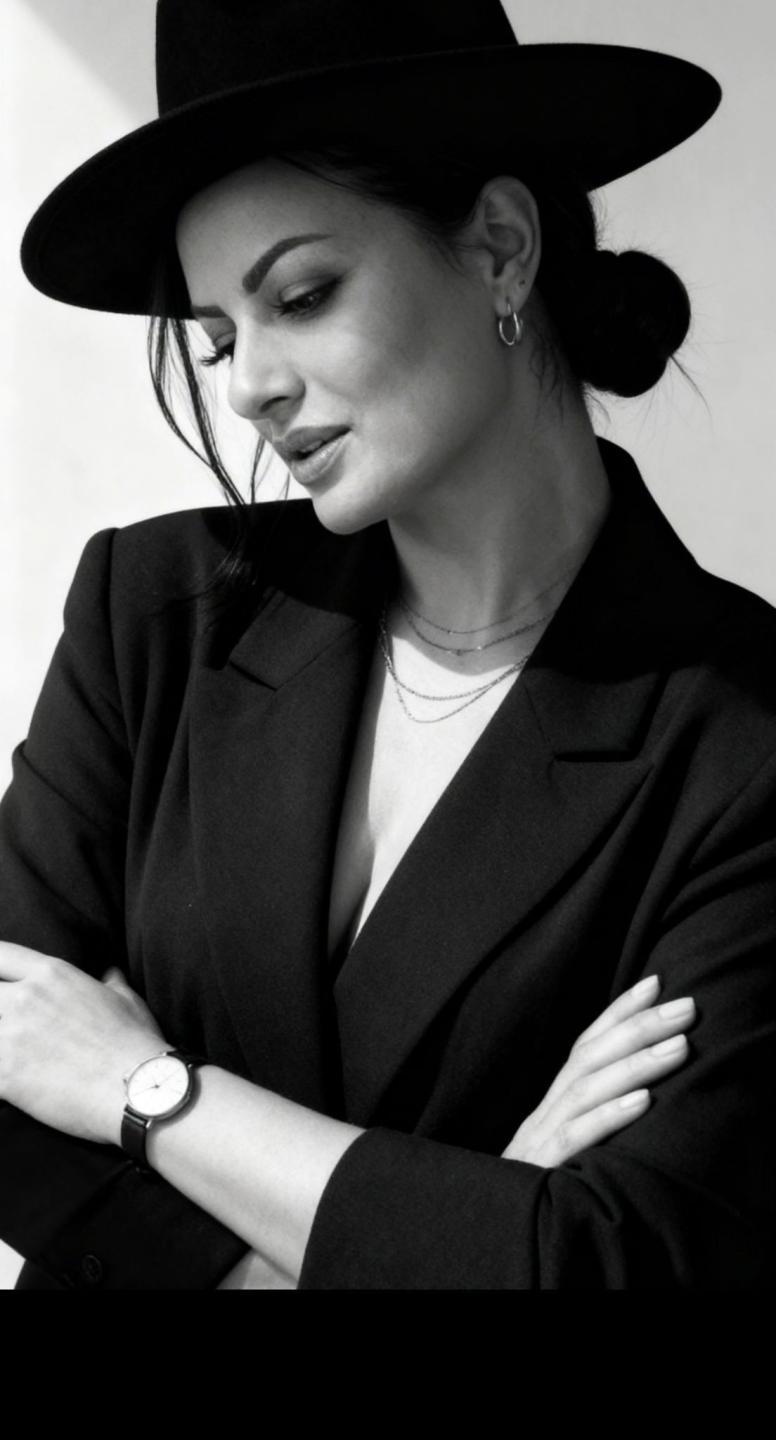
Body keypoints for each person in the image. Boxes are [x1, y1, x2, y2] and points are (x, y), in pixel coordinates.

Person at [1, 0, 774, 1290]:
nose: (248, 384)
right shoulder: (156, 612)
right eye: (218, 336)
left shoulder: (742, 741)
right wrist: (457, 1221)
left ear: (501, 249)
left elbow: (610, 1262)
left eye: (302, 296)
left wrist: (143, 1088)